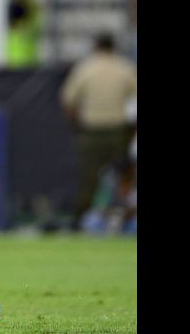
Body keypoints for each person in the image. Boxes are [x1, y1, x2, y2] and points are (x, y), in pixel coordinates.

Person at [60, 33, 137, 231]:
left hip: (92, 130)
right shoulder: (125, 68)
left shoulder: (86, 68)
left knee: (89, 178)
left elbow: (68, 100)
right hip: (119, 130)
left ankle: (80, 222)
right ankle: (122, 221)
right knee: (123, 179)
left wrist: (76, 125)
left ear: (95, 46)